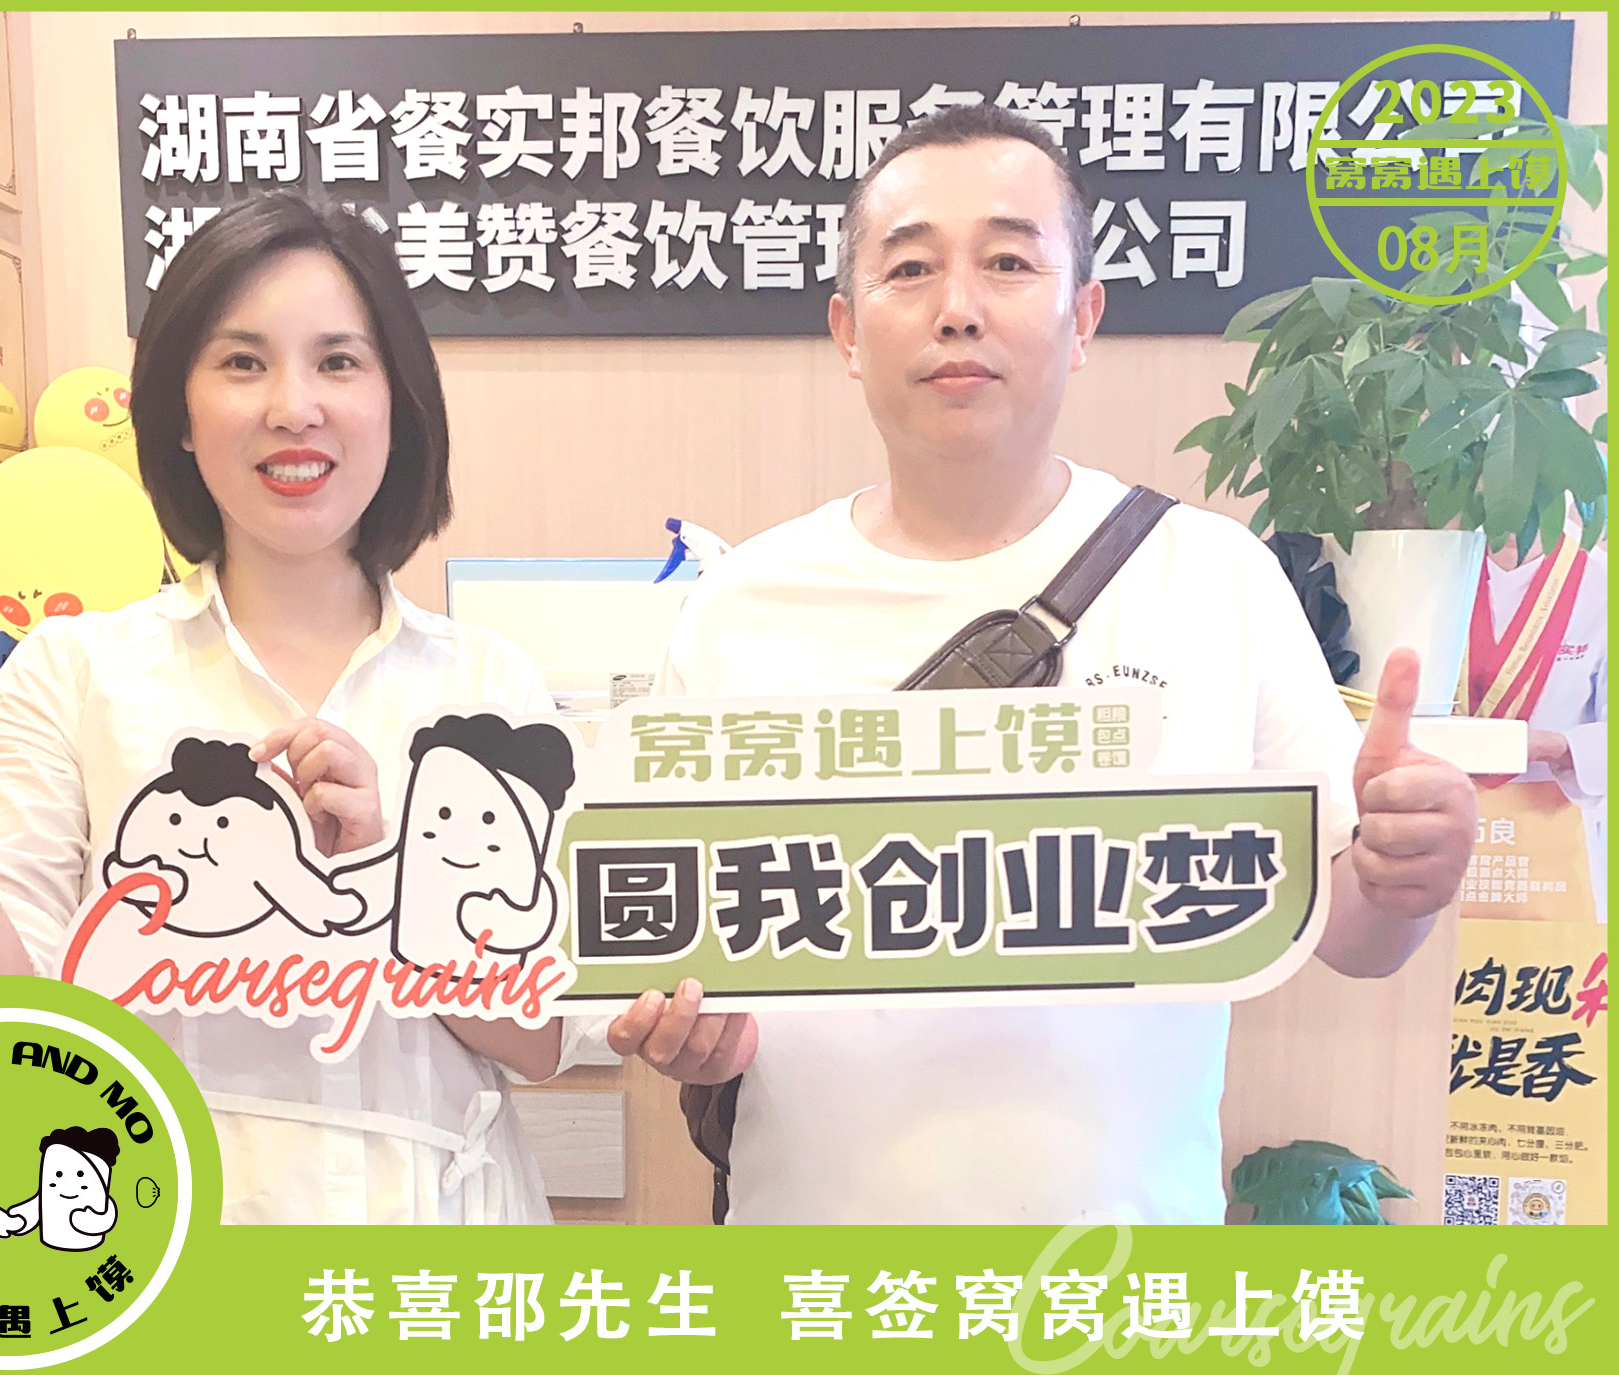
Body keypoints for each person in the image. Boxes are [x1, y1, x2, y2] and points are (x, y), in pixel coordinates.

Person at [606, 105, 1479, 1224]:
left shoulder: (1211, 577)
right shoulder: (739, 607)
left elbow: (1351, 933)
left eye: (1010, 262)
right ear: (847, 331)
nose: (957, 308)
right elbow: (682, 945)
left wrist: (1408, 872)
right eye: (909, 267)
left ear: (1083, 318)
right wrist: (688, 1032)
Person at [0, 194, 580, 1224]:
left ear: (398, 402)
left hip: (442, 1252)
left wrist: (393, 879)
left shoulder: (491, 689)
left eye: (338, 361)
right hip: (175, 1247)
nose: (293, 406)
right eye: (242, 362)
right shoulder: (76, 675)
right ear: (179, 416)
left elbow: (543, 1040)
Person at [1474, 529, 1607, 919]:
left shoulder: (1601, 582)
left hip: (1558, 838)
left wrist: (1559, 747)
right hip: (1444, 821)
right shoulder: (1433, 567)